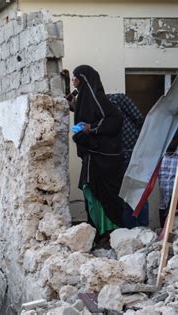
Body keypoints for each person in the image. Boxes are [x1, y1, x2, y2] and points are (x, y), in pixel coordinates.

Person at [69, 65, 125, 242]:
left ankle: (108, 232)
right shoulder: (85, 99)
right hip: (92, 157)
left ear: (84, 79)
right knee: (90, 191)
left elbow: (115, 119)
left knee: (101, 194)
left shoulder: (100, 100)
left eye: (75, 77)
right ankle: (97, 230)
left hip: (103, 159)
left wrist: (91, 128)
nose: (73, 80)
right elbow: (75, 106)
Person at [107, 93, 149, 228]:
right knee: (126, 197)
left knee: (137, 193)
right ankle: (132, 231)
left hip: (133, 154)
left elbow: (139, 119)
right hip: (118, 158)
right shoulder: (97, 108)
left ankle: (141, 230)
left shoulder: (117, 100)